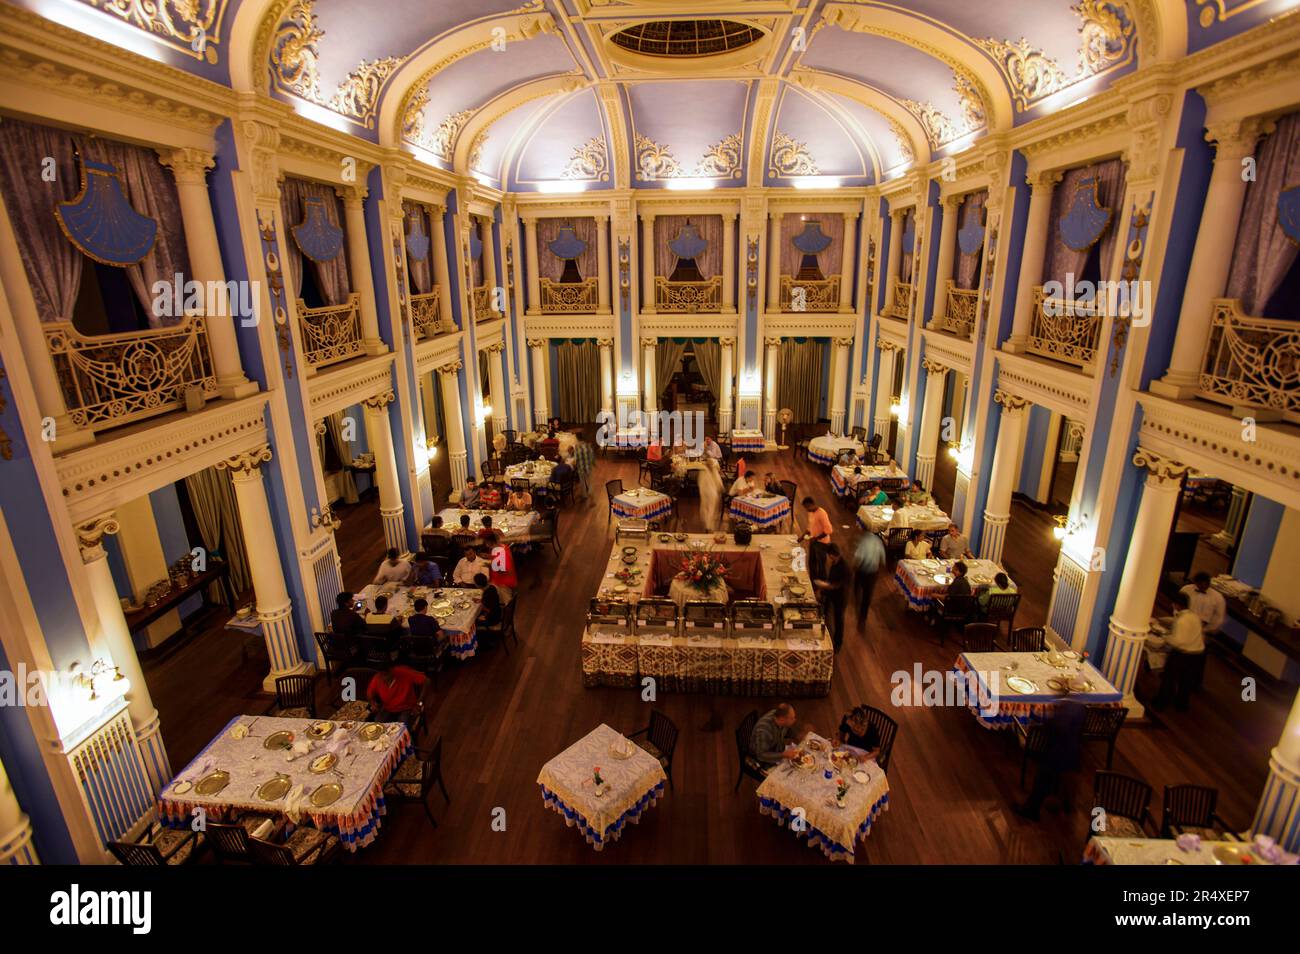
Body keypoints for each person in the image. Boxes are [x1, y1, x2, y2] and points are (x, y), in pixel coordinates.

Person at [1013, 699, 1087, 821]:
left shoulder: (1067, 710)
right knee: (1064, 781)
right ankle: (1065, 806)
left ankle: (1031, 810)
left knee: (1042, 781)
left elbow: (1055, 727)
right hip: (1073, 753)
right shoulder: (1080, 707)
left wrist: (1046, 721)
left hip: (1058, 752)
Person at [1150, 591, 1206, 711]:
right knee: (1186, 682)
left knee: (1169, 678)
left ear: (1176, 605)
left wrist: (1164, 636)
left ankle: (1162, 702)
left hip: (1182, 654)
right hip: (1197, 654)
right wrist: (1163, 620)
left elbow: (1178, 641)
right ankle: (1181, 704)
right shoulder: (1194, 616)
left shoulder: (1181, 621)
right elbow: (1175, 621)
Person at [748, 703, 811, 771]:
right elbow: (761, 755)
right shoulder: (764, 730)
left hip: (776, 748)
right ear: (782, 719)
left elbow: (787, 729)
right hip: (761, 759)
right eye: (792, 718)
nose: (794, 720)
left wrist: (797, 736)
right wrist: (783, 755)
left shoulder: (779, 716)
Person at [814, 543, 850, 650]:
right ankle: (824, 633)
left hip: (840, 597)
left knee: (839, 619)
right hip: (831, 594)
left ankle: (838, 643)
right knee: (826, 613)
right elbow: (831, 579)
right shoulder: (835, 563)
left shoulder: (845, 568)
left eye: (829, 555)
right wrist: (822, 589)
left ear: (833, 555)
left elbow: (838, 585)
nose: (828, 558)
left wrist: (824, 586)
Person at [854, 531, 887, 631]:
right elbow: (883, 559)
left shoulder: (864, 542)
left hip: (862, 570)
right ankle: (862, 618)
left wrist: (854, 567)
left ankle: (856, 601)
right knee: (867, 596)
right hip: (873, 573)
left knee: (857, 587)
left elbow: (858, 557)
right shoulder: (879, 542)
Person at [800, 496, 834, 578]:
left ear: (812, 504)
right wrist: (802, 537)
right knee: (811, 562)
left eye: (807, 507)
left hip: (822, 543)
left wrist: (817, 538)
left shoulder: (822, 513)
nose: (806, 509)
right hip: (813, 541)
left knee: (821, 565)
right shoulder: (810, 512)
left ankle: (822, 583)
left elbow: (829, 530)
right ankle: (813, 581)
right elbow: (809, 527)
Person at [698, 457, 725, 532]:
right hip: (707, 492)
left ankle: (708, 525)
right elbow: (701, 483)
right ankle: (708, 524)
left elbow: (718, 480)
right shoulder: (704, 471)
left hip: (711, 492)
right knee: (707, 508)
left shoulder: (711, 470)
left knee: (710, 508)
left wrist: (721, 488)